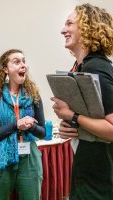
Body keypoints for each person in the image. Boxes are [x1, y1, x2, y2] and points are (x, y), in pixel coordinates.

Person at [51, 3, 113, 200]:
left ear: (87, 28)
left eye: (69, 23)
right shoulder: (82, 67)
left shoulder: (97, 68)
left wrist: (72, 115)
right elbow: (92, 119)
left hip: (100, 180)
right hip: (86, 170)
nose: (63, 30)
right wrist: (69, 126)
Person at [0, 49, 45, 200]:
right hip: (1, 159)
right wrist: (16, 125)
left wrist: (32, 126)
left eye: (23, 61)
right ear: (5, 69)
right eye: (16, 62)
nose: (23, 65)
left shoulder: (33, 95)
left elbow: (42, 132)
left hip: (30, 159)